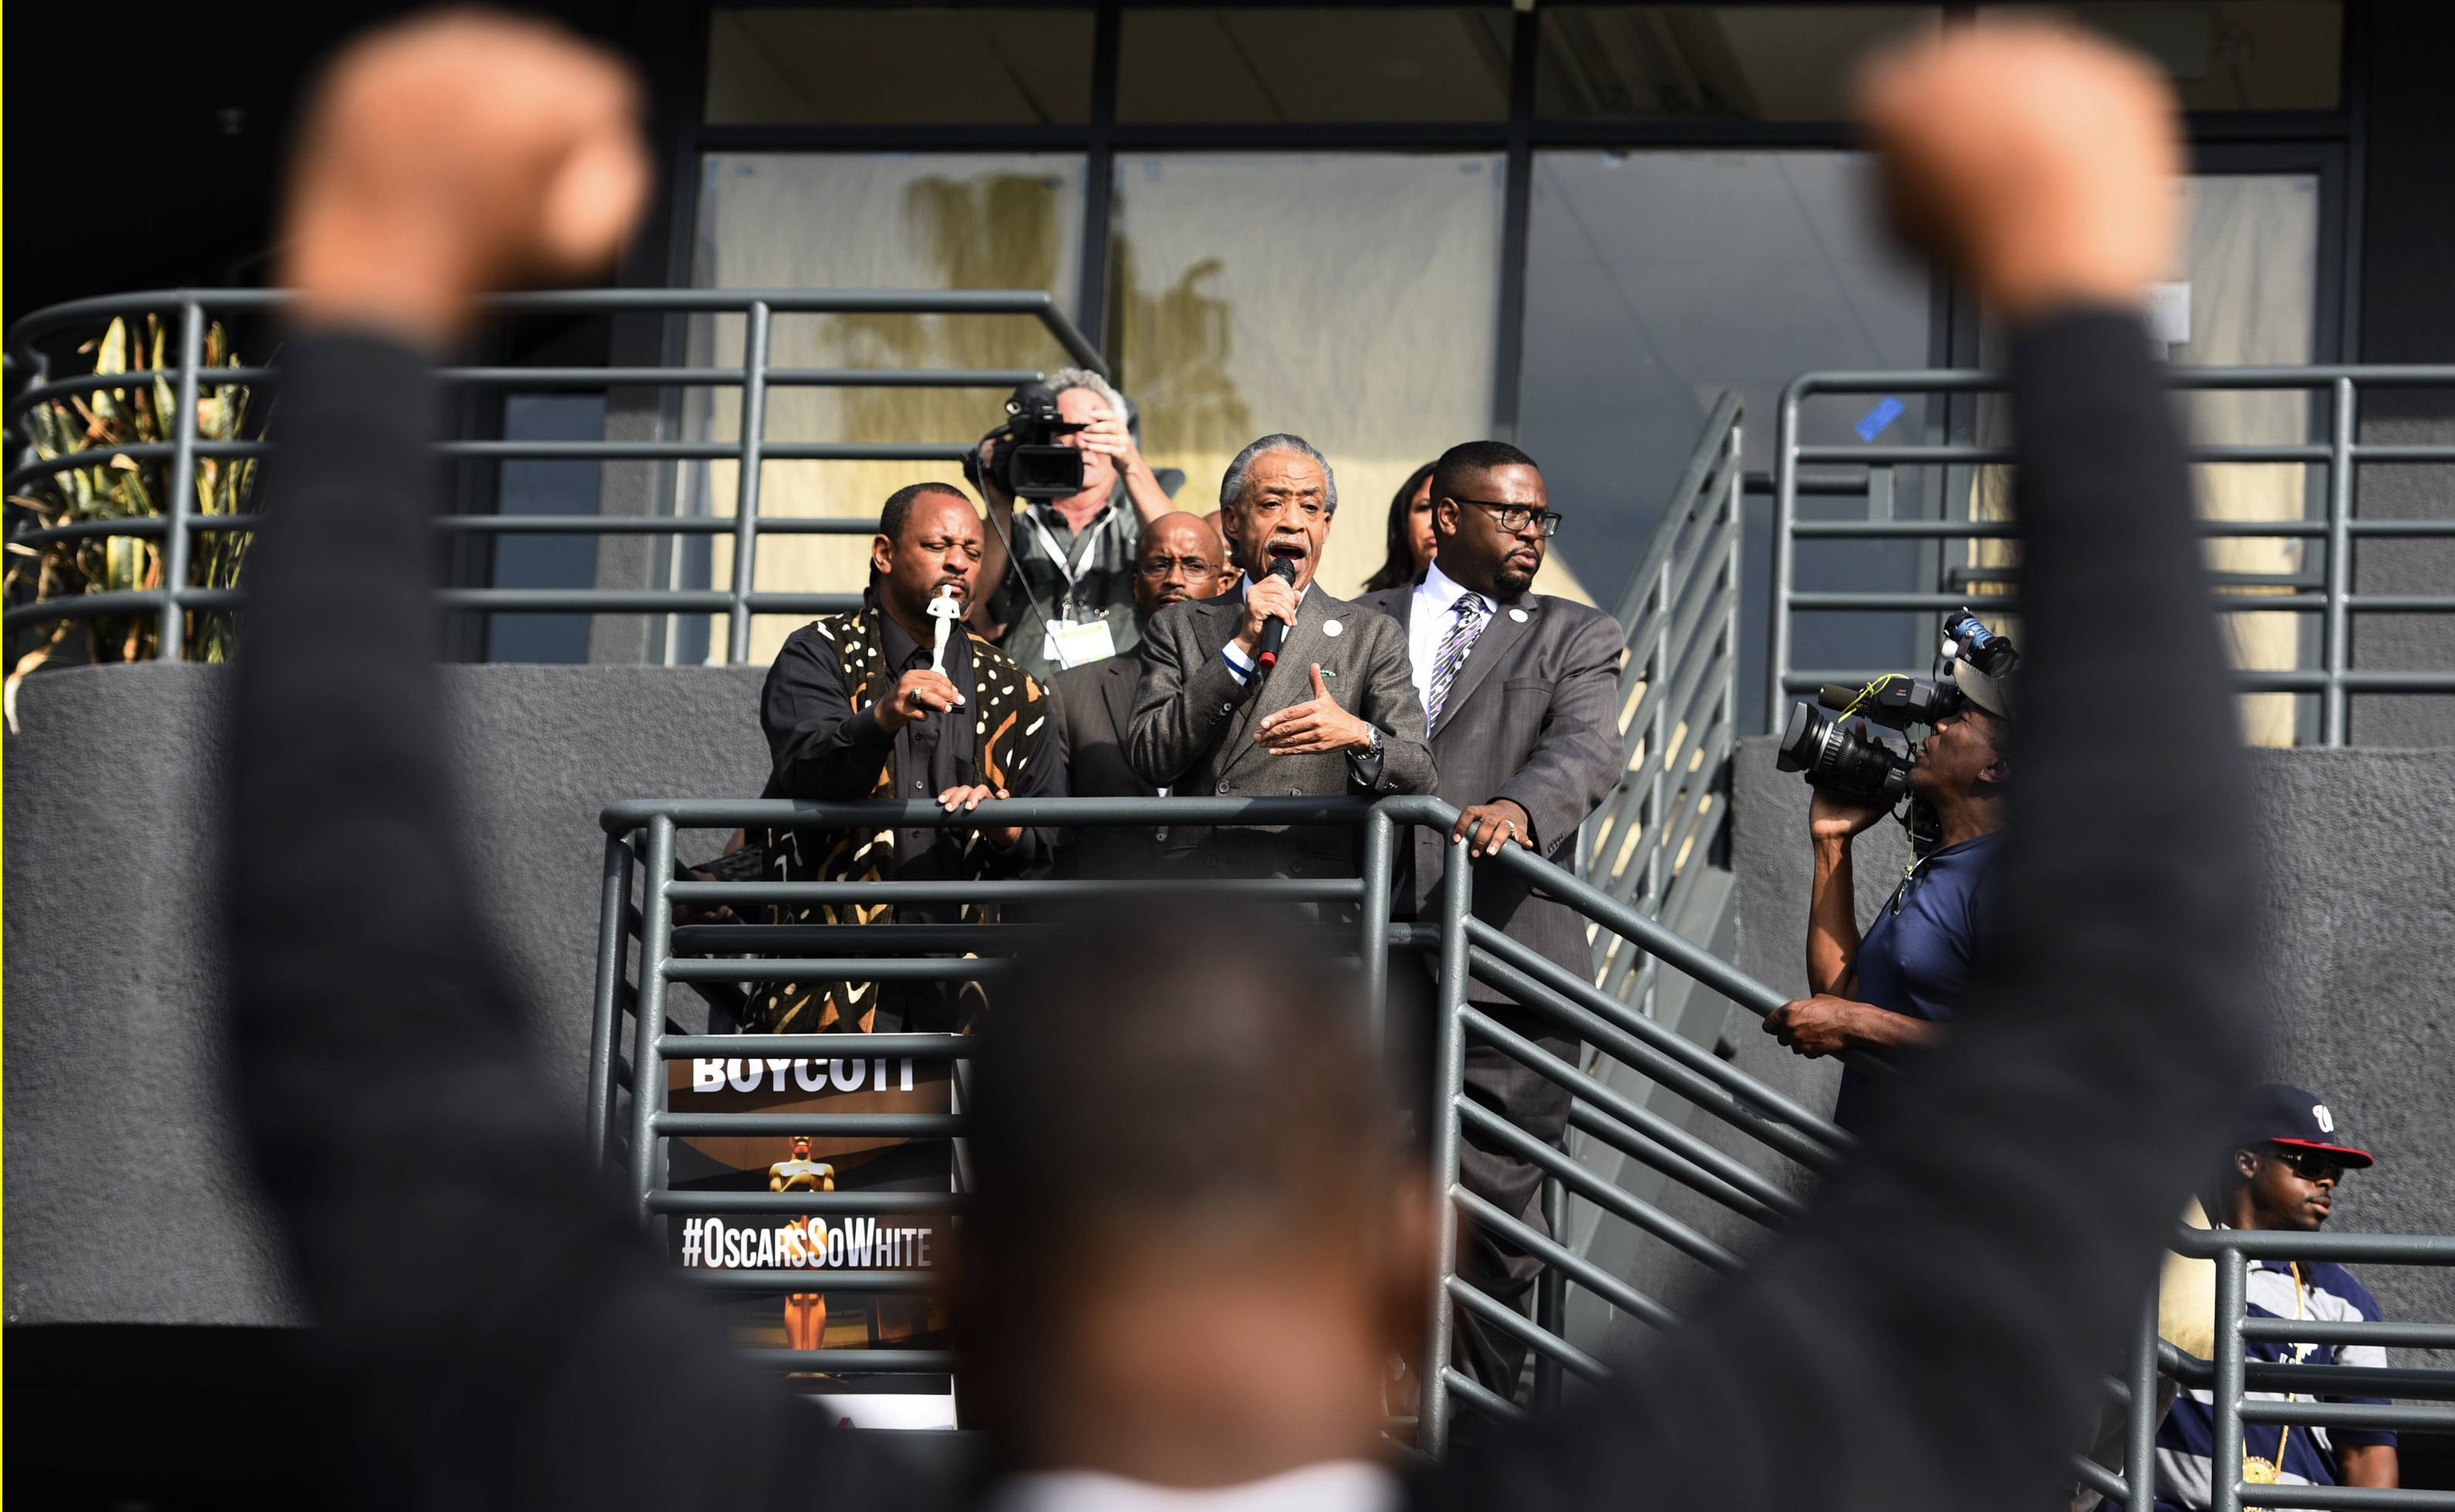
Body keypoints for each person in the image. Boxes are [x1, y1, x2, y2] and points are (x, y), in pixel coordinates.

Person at [226, 14, 2263, 1512]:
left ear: (961, 1260)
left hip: (1448, 924)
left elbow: (362, 1039)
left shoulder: (660, 1459)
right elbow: (2115, 1033)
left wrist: (379, 287)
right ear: (1411, 1247)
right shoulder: (1716, 1466)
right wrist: (2078, 292)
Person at [1355, 438, 1623, 1397]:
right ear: (1443, 516)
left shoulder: (1575, 634)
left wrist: (1518, 808)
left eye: (1542, 517)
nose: (1533, 533)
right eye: (1511, 513)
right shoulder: (1354, 623)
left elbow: (1588, 752)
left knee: (1495, 1217)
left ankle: (1478, 1429)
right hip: (1369, 958)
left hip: (1511, 962)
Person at [752, 480, 1065, 1034]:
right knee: (831, 1126)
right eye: (938, 546)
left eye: (972, 552)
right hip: (832, 978)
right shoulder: (819, 652)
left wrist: (1006, 827)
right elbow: (805, 768)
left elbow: (1052, 847)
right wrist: (881, 719)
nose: (959, 565)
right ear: (884, 554)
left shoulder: (1019, 691)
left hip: (970, 989)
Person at [1125, 434, 1435, 880]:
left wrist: (1358, 735)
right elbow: (1151, 756)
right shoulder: (1178, 626)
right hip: (1200, 897)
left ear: (1326, 526)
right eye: (1272, 503)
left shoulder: (1370, 635)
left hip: (1311, 903)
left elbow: (1421, 771)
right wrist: (1241, 646)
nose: (1293, 522)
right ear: (1232, 521)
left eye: (1310, 508)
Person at [1762, 662, 2013, 1132]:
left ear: (1996, 767)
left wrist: (1856, 1023)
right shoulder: (1939, 863)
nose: (1937, 724)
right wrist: (1831, 843)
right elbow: (1838, 996)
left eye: (1960, 721)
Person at [2142, 1085, 2399, 1507]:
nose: (2328, 1180)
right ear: (2247, 1161)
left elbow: (2367, 1451)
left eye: (2336, 1170)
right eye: (2313, 1163)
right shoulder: (2168, 1257)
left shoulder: (2344, 1300)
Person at [1047, 511, 1229, 875]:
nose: (1174, 580)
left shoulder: (1251, 687)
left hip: (1220, 916)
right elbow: (1053, 833)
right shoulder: (1071, 692)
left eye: (1193, 566)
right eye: (1158, 565)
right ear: (1135, 585)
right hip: (1109, 917)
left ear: (1223, 585)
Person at [973, 367, 1179, 685]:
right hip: (1025, 701)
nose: (1082, 442)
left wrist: (1131, 461)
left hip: (1119, 706)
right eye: (1067, 429)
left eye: (1095, 430)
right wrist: (998, 501)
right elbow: (971, 599)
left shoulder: (1135, 529)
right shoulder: (1013, 529)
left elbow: (1178, 547)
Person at [770, 1136, 836, 1353]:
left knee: (816, 1294)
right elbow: (775, 1202)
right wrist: (802, 1181)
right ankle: (798, 1358)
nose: (802, 1137)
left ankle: (813, 1359)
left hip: (816, 1228)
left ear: (813, 1140)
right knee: (795, 1294)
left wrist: (804, 1182)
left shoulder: (825, 1169)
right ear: (789, 1140)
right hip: (792, 1228)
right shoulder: (778, 1169)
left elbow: (829, 1202)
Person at [1360, 460, 1439, 594]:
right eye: (1425, 507)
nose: (1436, 521)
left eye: (1451, 511)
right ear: (1403, 520)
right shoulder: (1369, 606)